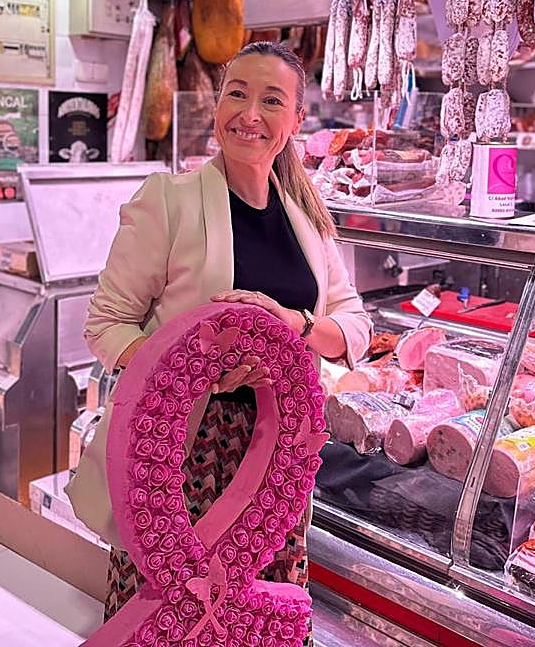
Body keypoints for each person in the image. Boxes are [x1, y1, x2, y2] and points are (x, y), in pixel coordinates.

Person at [85, 41, 372, 642]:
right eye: (237, 93)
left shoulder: (307, 216)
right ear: (217, 105)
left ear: (296, 122)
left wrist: (293, 326)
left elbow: (353, 327)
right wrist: (186, 373)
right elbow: (108, 324)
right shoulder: (171, 200)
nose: (249, 113)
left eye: (272, 100)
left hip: (277, 461)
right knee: (169, 618)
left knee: (250, 619)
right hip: (181, 453)